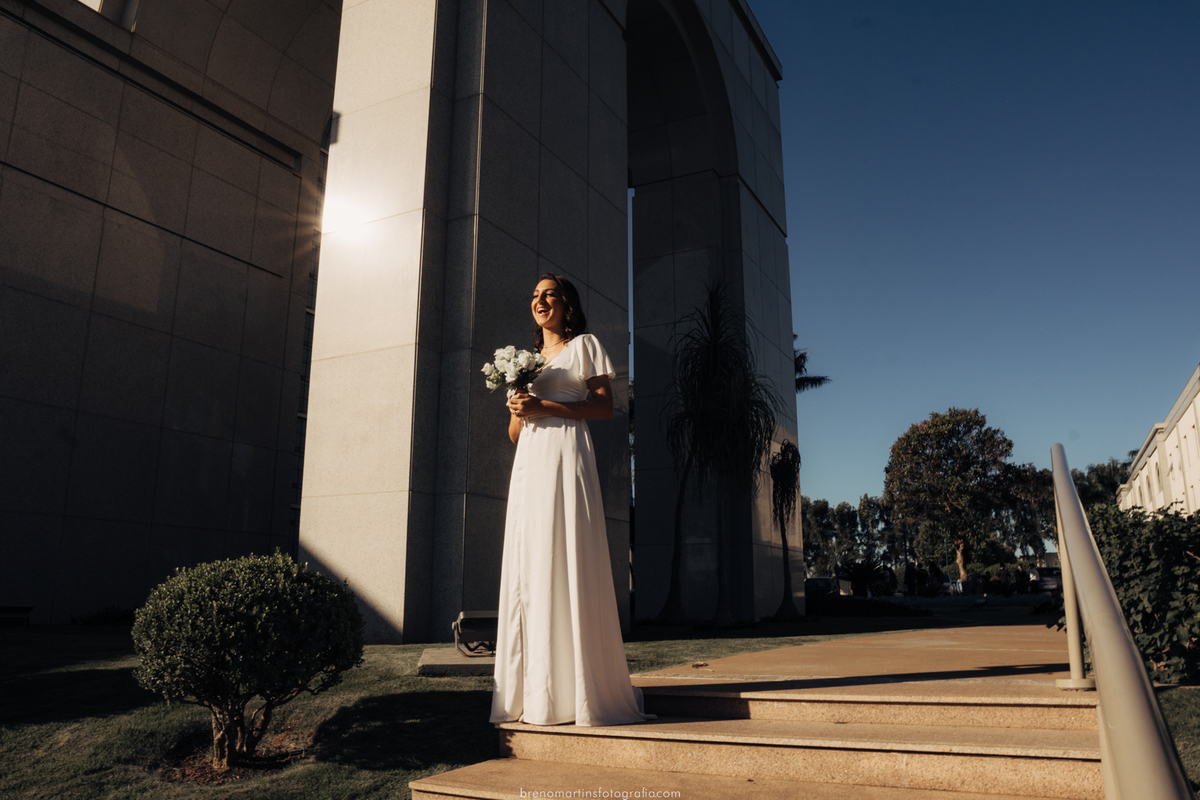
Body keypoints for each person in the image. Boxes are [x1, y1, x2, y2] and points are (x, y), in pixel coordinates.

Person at [489, 273, 651, 727]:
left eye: (550, 294)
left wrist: (549, 409)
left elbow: (603, 407)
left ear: (567, 304)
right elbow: (514, 433)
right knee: (532, 563)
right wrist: (520, 407)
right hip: (530, 465)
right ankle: (536, 693)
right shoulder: (524, 361)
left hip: (566, 456)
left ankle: (578, 691)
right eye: (535, 295)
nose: (540, 301)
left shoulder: (585, 346)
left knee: (568, 556)